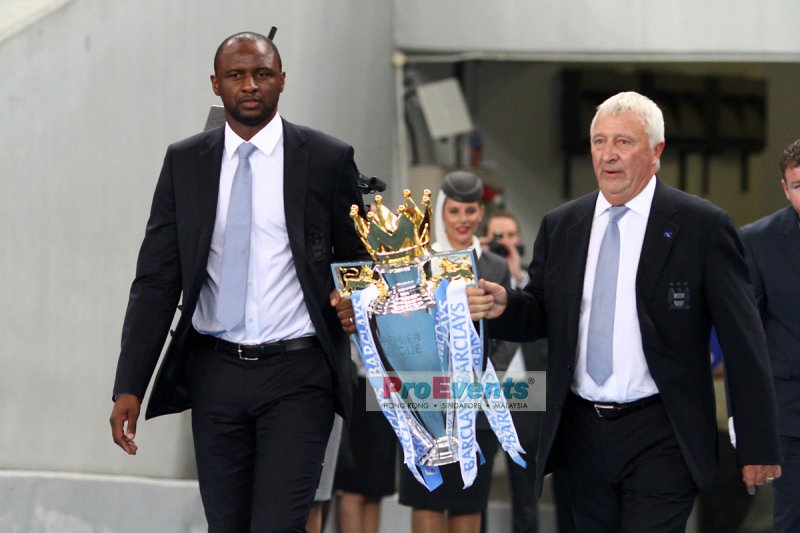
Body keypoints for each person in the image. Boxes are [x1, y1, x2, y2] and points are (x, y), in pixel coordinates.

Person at [467, 91, 782, 532]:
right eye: (599, 141)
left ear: (656, 152)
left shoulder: (701, 227)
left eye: (623, 143)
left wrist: (758, 442)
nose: (608, 156)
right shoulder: (563, 226)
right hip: (580, 432)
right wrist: (505, 305)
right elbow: (541, 312)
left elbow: (743, 340)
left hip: (663, 431)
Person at [108, 31, 367, 532]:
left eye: (262, 74)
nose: (250, 85)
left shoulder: (328, 159)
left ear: (282, 81)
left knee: (277, 525)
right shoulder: (185, 162)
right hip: (215, 371)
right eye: (236, 75)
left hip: (299, 374)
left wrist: (356, 296)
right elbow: (157, 279)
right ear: (216, 84)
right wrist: (129, 384)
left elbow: (360, 258)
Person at [394, 170, 507, 533]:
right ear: (442, 212)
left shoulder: (495, 266)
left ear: (481, 213)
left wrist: (483, 373)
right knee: (428, 498)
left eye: (470, 211)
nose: (463, 219)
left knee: (467, 501)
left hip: (476, 403)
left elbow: (508, 332)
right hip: (425, 402)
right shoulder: (419, 264)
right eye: (455, 211)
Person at [739, 138, 800, 533]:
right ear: (784, 188)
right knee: (791, 520)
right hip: (792, 412)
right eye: (798, 186)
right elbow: (748, 336)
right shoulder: (758, 241)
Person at [481, 211, 544, 533]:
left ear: (518, 240)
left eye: (508, 236)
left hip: (527, 395)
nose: (503, 242)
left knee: (526, 489)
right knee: (477, 487)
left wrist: (516, 275)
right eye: (496, 236)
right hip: (487, 394)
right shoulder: (480, 277)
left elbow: (535, 312)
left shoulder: (530, 279)